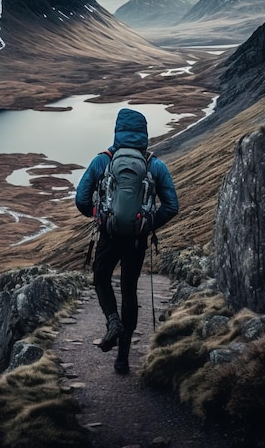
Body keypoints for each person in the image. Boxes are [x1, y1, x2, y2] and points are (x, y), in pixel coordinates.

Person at [75, 107, 179, 374]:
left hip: (109, 235)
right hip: (137, 239)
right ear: (143, 133)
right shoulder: (154, 164)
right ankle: (122, 358)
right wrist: (147, 224)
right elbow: (171, 206)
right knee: (129, 289)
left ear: (117, 131)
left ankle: (112, 321)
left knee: (101, 278)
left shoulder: (103, 161)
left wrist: (97, 215)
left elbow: (81, 199)